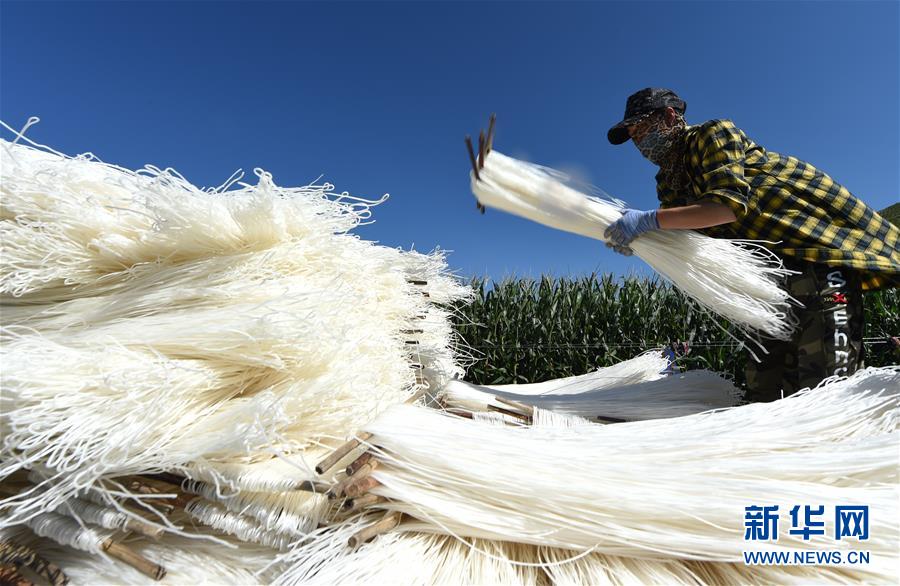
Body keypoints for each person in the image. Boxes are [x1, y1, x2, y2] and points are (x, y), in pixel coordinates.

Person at [603, 88, 900, 402]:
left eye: (643, 128)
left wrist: (649, 221)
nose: (639, 141)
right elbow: (687, 236)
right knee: (764, 392)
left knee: (828, 390)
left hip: (818, 261)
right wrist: (645, 241)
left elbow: (725, 206)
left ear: (669, 116)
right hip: (764, 282)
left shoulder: (712, 135)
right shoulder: (669, 180)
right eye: (633, 136)